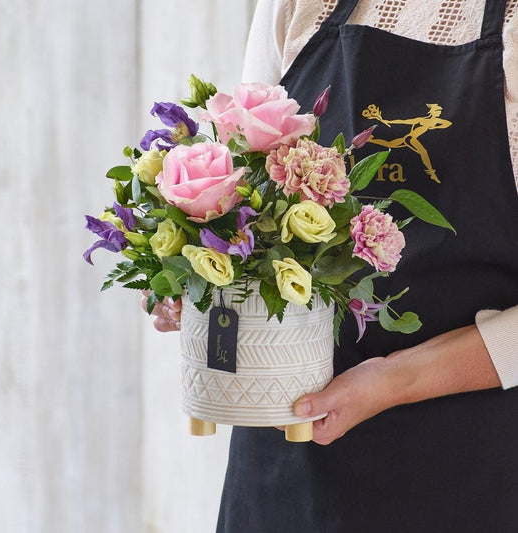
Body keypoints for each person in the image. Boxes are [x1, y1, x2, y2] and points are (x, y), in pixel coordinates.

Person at [143, 1, 518, 531]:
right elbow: (250, 187)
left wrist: (395, 380)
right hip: (283, 462)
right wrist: (196, 279)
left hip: (468, 467)